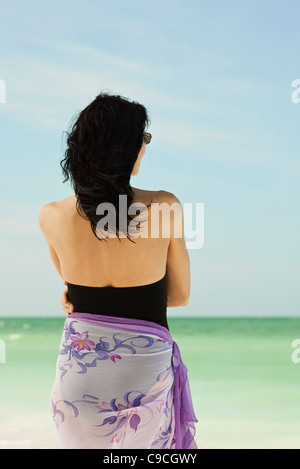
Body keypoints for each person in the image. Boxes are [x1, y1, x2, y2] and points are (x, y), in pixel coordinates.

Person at [38, 92, 198, 449]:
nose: (145, 146)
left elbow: (73, 289)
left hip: (77, 383)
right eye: (144, 138)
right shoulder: (163, 206)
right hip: (142, 378)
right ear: (127, 147)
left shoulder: (50, 216)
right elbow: (180, 296)